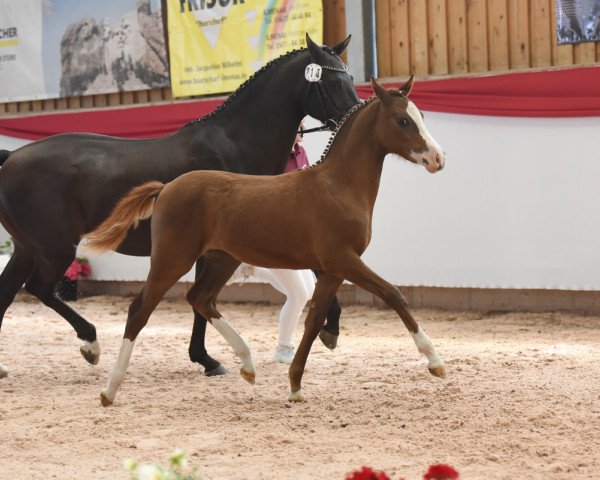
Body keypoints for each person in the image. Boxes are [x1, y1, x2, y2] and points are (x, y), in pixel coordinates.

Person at [228, 122, 316, 364]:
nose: (303, 127)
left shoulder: (302, 153)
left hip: (297, 234)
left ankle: (252, 268)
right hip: (274, 235)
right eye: (297, 125)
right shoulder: (274, 157)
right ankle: (283, 347)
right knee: (298, 295)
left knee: (309, 292)